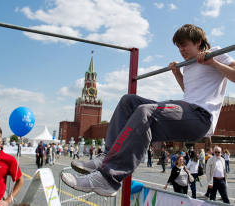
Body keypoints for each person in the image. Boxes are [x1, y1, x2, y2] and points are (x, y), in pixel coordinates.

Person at [62, 24, 235, 197]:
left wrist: (212, 62)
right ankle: (107, 156)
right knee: (128, 101)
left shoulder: (216, 53)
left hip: (201, 118)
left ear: (198, 42)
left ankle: (109, 179)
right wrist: (177, 74)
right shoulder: (189, 64)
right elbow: (191, 93)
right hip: (187, 110)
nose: (181, 50)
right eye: (178, 46)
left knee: (146, 111)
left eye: (184, 45)